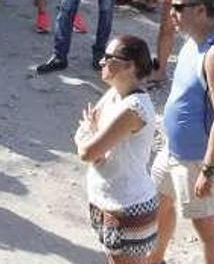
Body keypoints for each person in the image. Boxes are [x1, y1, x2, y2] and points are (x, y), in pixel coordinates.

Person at [148, 0, 214, 264]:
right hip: (173, 150)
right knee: (160, 204)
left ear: (201, 10)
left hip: (197, 159)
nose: (171, 13)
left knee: (207, 228)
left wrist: (209, 169)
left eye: (178, 7)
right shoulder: (193, 41)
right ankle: (156, 259)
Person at [75, 35, 158, 262]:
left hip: (128, 207)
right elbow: (86, 136)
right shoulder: (115, 93)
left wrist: (91, 136)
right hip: (108, 202)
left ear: (129, 66)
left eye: (109, 58)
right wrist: (91, 138)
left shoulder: (133, 109)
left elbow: (87, 151)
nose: (102, 62)